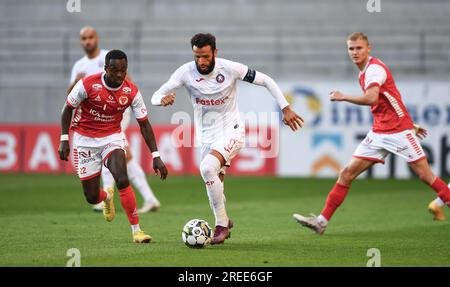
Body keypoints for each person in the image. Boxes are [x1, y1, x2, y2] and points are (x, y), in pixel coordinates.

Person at [151, 33, 304, 244]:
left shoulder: (230, 68)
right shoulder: (185, 72)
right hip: (206, 138)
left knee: (206, 169)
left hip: (232, 131)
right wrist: (162, 100)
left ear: (215, 52)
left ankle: (221, 226)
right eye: (197, 56)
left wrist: (285, 108)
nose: (201, 62)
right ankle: (224, 219)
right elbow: (156, 95)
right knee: (213, 184)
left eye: (205, 56)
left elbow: (266, 80)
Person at [293, 32, 450, 234]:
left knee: (426, 176)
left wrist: (343, 97)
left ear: (369, 48)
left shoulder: (374, 70)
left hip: (398, 131)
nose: (355, 52)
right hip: (379, 132)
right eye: (351, 48)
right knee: (347, 173)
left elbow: (372, 98)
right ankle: (321, 222)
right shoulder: (364, 71)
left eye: (359, 48)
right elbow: (392, 98)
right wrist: (412, 123)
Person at [59, 50, 168, 243]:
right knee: (92, 197)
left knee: (122, 178)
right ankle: (107, 198)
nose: (119, 74)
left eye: (123, 70)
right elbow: (67, 109)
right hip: (84, 140)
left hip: (112, 138)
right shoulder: (87, 84)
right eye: (115, 70)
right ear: (105, 68)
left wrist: (156, 156)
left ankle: (137, 231)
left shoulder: (131, 91)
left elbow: (144, 124)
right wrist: (64, 139)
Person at [68, 26, 161, 213]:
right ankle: (149, 199)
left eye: (90, 37)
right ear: (81, 41)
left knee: (110, 150)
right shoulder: (79, 66)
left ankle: (108, 195)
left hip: (116, 113)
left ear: (97, 38)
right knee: (124, 156)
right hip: (93, 118)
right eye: (84, 38)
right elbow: (71, 94)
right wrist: (74, 82)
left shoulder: (107, 57)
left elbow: (127, 82)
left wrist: (126, 99)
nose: (87, 41)